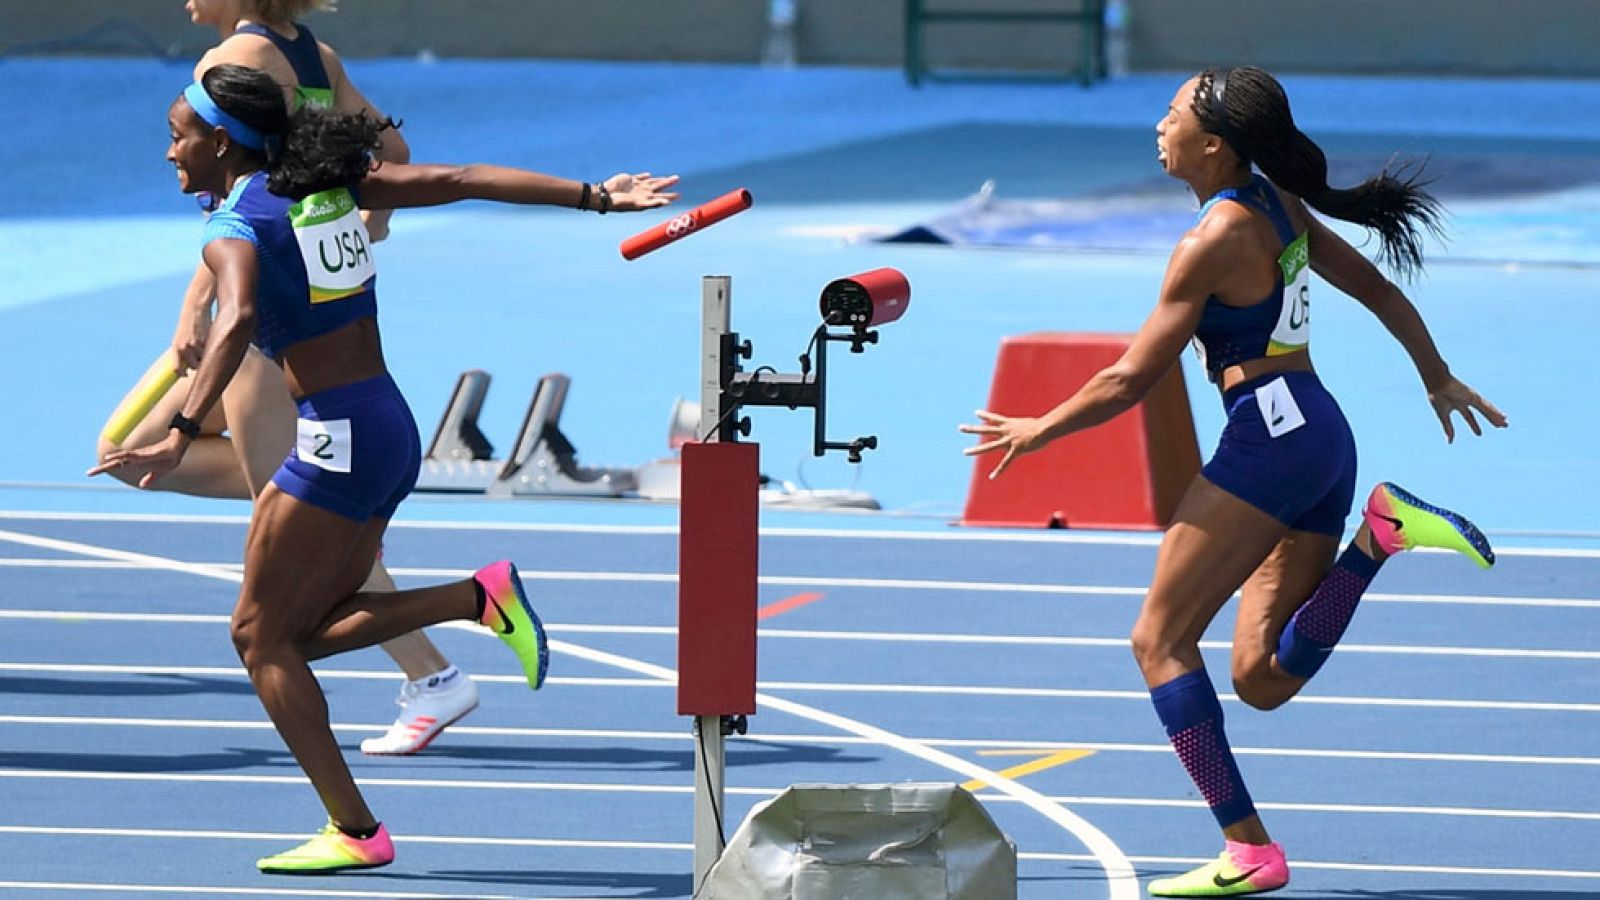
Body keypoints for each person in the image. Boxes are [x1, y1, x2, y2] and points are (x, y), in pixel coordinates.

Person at [90, 63, 679, 873]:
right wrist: (595, 195)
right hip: (388, 423)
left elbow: (242, 320)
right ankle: (479, 599)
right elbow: (464, 177)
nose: (169, 153)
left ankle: (358, 831)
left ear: (221, 142)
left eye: (177, 135)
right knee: (297, 633)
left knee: (259, 641)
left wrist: (182, 428)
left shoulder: (234, 225)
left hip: (338, 439)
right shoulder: (330, 189)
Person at [959, 66, 1506, 897]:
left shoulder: (1211, 241)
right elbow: (1378, 288)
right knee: (1259, 678)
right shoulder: (1279, 201)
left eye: (1173, 113)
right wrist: (1434, 375)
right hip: (1322, 434)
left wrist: (1039, 429)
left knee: (1158, 640)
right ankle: (1377, 537)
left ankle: (1248, 848)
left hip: (1269, 444)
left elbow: (1129, 379)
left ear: (1211, 142)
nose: (1159, 124)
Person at [98, 0, 473, 756]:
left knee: (295, 511)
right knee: (127, 451)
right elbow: (388, 146)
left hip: (264, 315)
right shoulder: (314, 55)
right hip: (282, 291)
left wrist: (193, 309)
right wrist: (362, 223)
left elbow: (242, 203)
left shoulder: (227, 64)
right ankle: (341, 505)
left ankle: (432, 676)